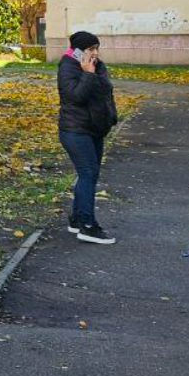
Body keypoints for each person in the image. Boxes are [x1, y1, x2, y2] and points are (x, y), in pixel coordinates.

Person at [57, 30, 118, 244]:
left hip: (95, 129)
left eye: (97, 49)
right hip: (75, 130)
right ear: (79, 51)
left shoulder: (97, 65)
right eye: (91, 49)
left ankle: (76, 219)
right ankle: (88, 225)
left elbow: (105, 92)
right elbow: (76, 96)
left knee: (91, 174)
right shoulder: (67, 66)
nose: (95, 53)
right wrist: (87, 74)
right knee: (87, 173)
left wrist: (111, 116)